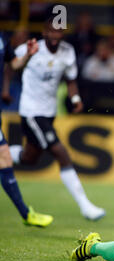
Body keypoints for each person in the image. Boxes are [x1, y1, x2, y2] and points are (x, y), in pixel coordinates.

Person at [8, 18, 105, 221]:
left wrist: (75, 98)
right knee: (61, 153)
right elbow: (11, 65)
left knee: (30, 157)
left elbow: (70, 79)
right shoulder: (32, 47)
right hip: (32, 112)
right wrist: (6, 88)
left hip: (49, 111)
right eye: (51, 31)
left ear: (63, 34)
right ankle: (85, 206)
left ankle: (3, 153)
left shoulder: (68, 52)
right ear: (44, 32)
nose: (54, 36)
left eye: (58, 32)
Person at [0, 31, 53, 227]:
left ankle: (26, 214)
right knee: (4, 156)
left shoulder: (2, 39)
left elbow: (13, 64)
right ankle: (25, 214)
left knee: (4, 158)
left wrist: (28, 55)